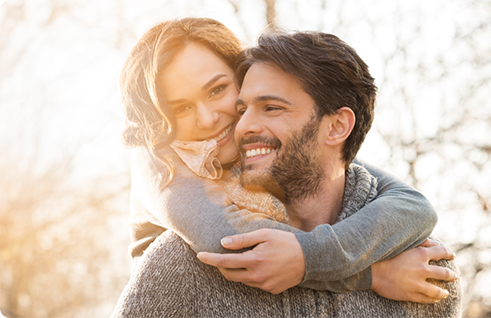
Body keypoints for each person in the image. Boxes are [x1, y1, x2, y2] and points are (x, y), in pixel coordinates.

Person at [111, 19, 461, 317]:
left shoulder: (267, 147)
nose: (208, 118)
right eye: (182, 108)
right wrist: (372, 274)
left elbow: (412, 204)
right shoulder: (159, 163)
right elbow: (235, 245)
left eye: (217, 89)